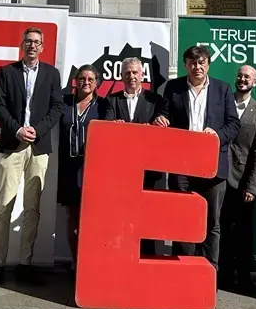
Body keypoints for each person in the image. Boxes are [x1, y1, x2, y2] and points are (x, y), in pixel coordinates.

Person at [153, 45, 241, 270]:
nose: (197, 67)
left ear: (208, 64)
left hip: (213, 165)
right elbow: (164, 114)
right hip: (182, 166)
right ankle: (185, 268)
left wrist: (217, 135)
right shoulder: (173, 88)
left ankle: (209, 270)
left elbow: (233, 124)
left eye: (201, 62)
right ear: (186, 65)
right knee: (183, 218)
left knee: (212, 222)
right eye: (192, 63)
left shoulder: (223, 89)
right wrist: (161, 119)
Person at [0, 27, 64, 286]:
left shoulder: (52, 74)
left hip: (39, 147)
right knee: (3, 206)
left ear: (43, 47)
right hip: (12, 145)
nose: (32, 46)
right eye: (28, 41)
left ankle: (25, 264)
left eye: (37, 42)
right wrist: (18, 129)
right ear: (22, 45)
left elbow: (57, 107)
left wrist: (37, 130)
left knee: (32, 209)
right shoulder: (7, 73)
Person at [104, 57, 166, 256]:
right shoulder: (111, 100)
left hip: (148, 170)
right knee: (121, 216)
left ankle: (147, 259)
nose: (131, 76)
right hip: (121, 170)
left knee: (146, 217)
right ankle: (120, 257)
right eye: (127, 73)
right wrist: (115, 127)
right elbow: (106, 127)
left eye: (135, 72)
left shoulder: (156, 101)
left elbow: (162, 126)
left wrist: (156, 125)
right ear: (122, 76)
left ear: (142, 75)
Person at [219, 65, 256, 293]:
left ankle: (244, 277)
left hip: (242, 181)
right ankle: (223, 275)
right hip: (218, 175)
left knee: (243, 231)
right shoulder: (222, 102)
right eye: (240, 75)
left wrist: (251, 185)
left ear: (254, 83)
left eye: (247, 77)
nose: (242, 79)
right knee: (220, 228)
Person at [57, 65, 106, 270]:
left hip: (92, 168)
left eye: (91, 79)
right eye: (82, 78)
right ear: (75, 81)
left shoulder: (103, 105)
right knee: (73, 217)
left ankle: (92, 263)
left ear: (97, 84)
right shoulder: (64, 102)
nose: (86, 82)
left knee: (93, 218)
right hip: (69, 167)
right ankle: (76, 263)